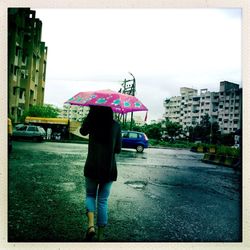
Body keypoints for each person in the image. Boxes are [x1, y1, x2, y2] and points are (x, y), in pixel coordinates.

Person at [80, 105, 121, 241]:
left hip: (92, 166)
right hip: (109, 169)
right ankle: (101, 236)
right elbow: (118, 149)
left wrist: (90, 115)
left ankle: (91, 226)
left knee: (90, 195)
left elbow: (82, 131)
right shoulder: (116, 126)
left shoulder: (92, 122)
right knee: (103, 201)